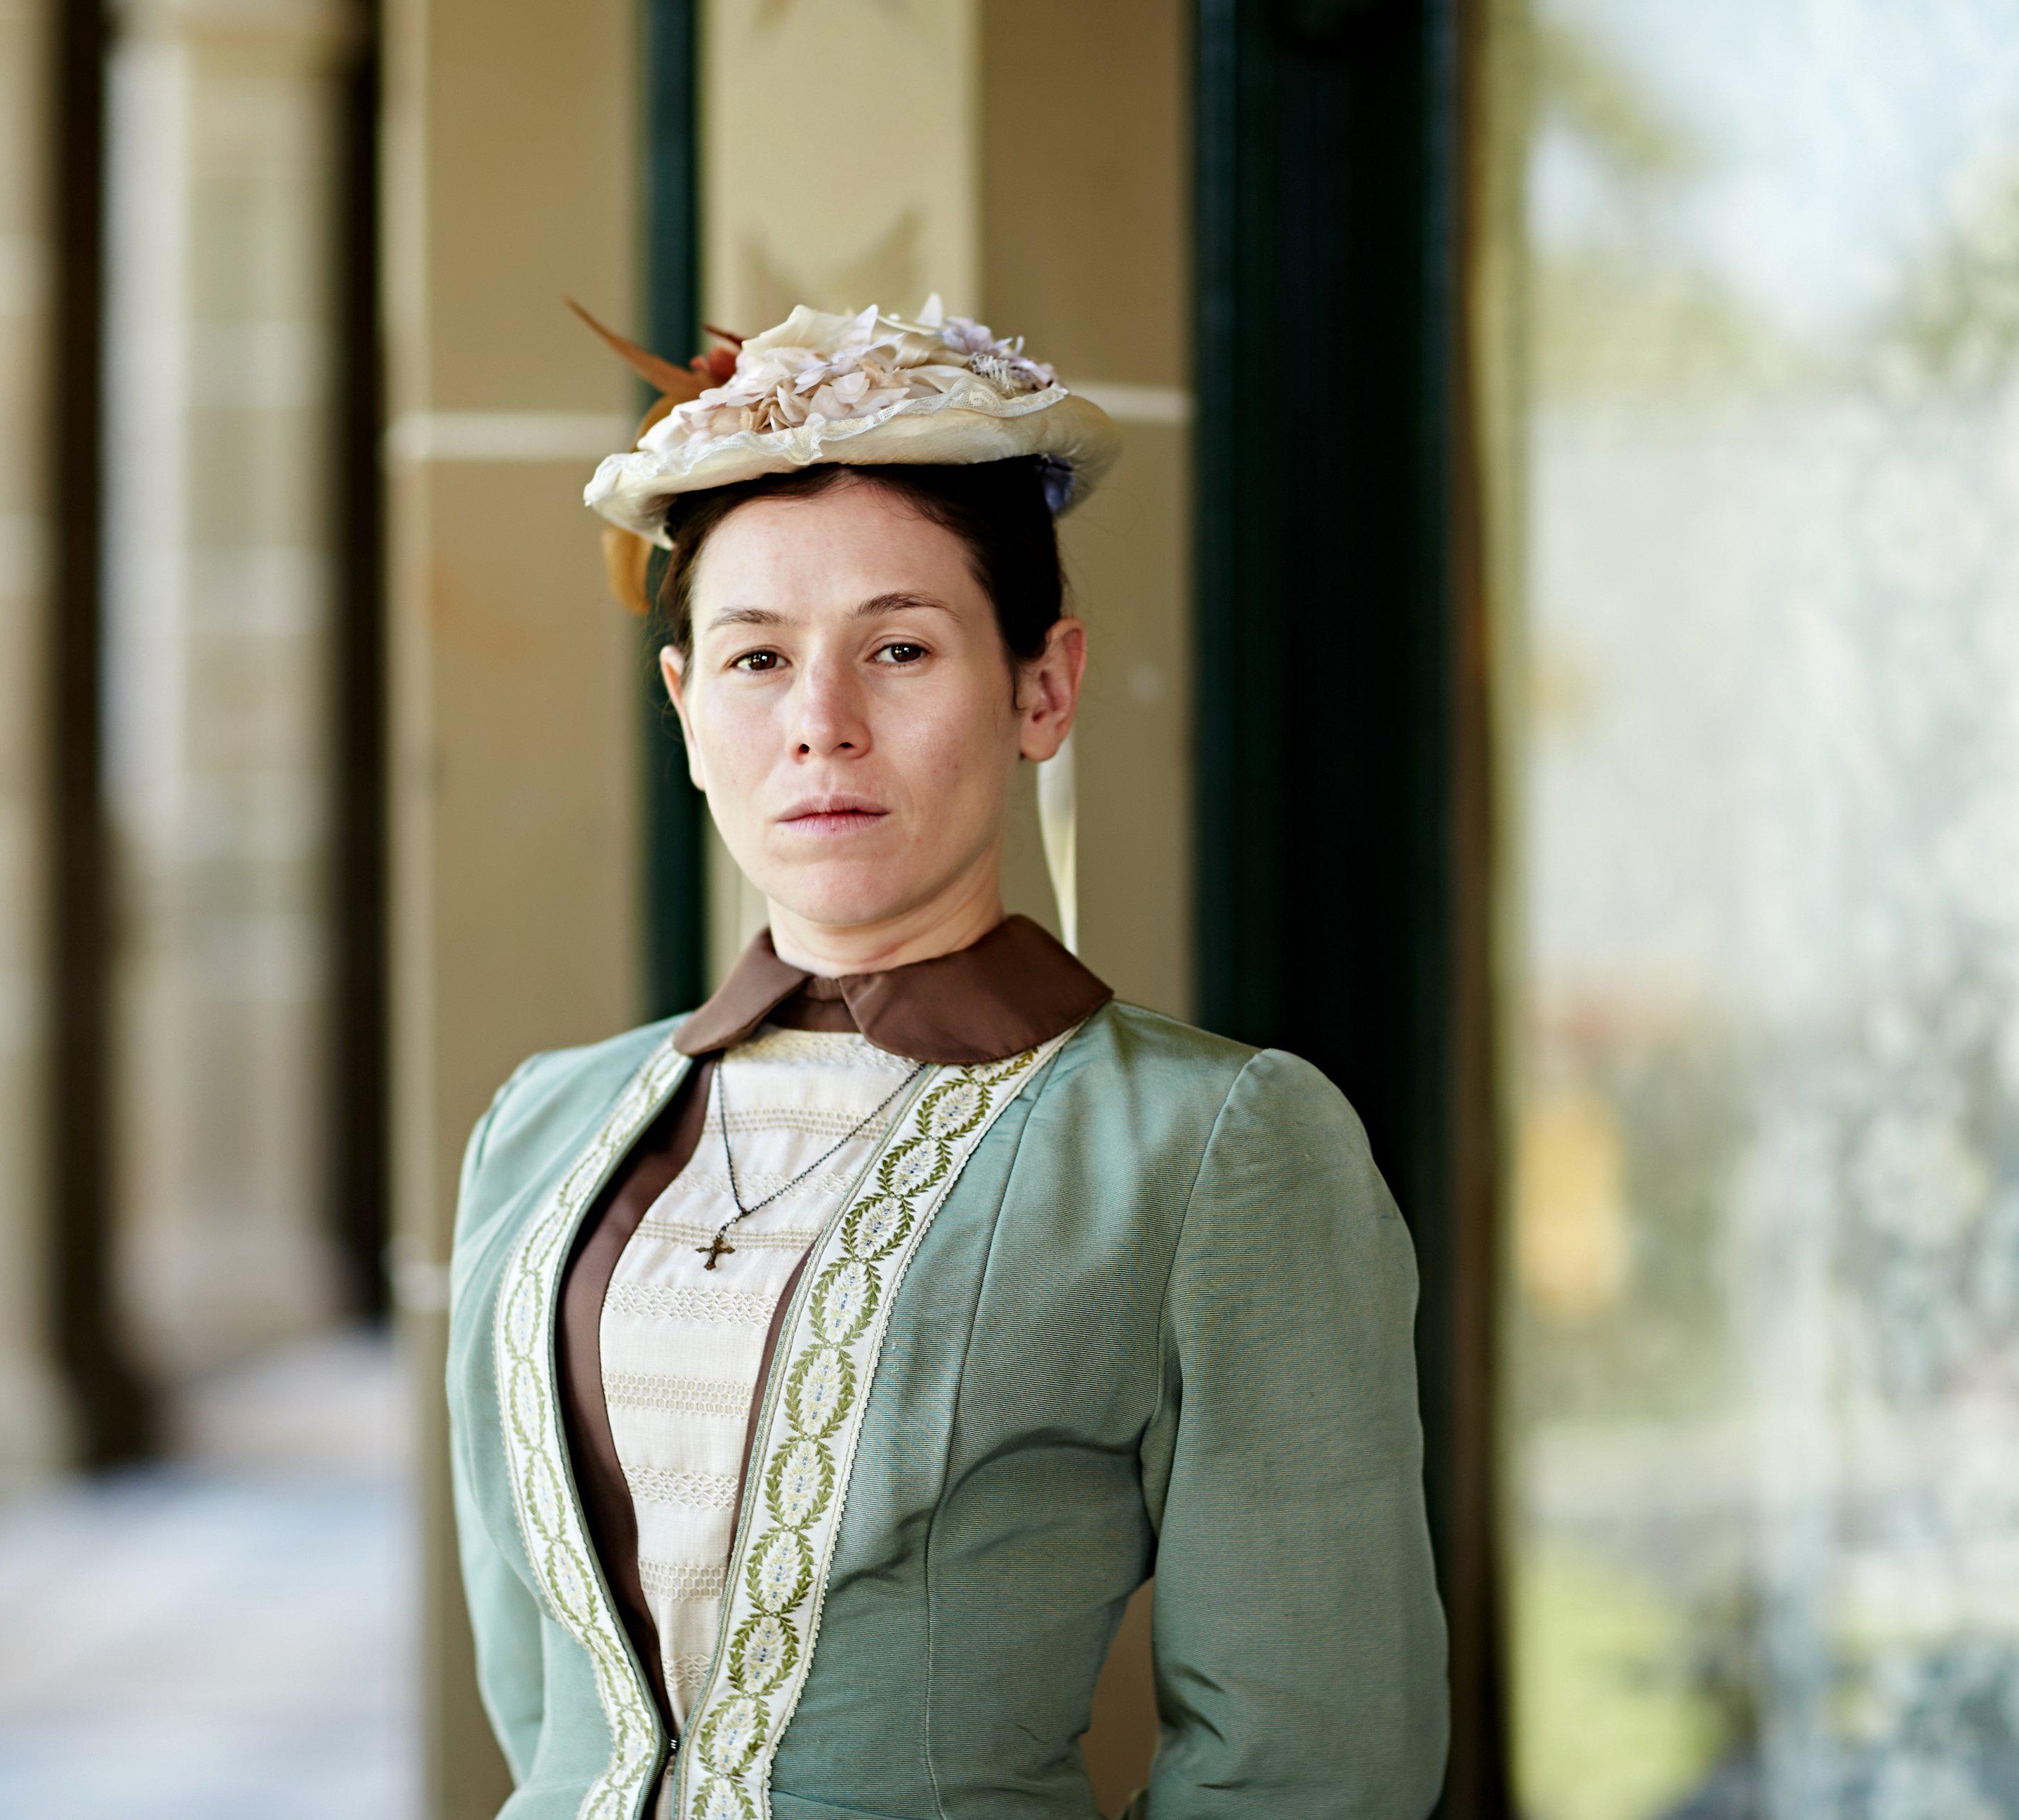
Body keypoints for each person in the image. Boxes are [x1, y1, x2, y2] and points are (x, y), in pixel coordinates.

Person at [444, 298, 1448, 1820]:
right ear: (685, 710)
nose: (821, 725)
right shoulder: (544, 1125)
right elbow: (538, 1703)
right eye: (757, 657)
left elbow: (1313, 1755)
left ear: (1042, 687)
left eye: (899, 648)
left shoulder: (1211, 1147)